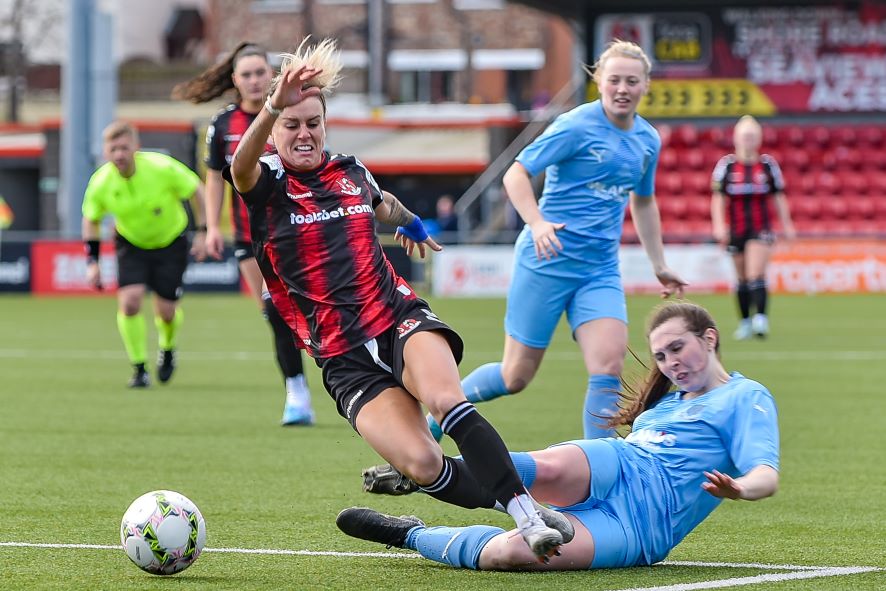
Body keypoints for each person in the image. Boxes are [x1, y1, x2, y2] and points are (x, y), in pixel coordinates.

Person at [224, 37, 573, 560]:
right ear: (274, 131)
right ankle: (516, 503)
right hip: (341, 358)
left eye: (312, 123)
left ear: (325, 125)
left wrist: (410, 221)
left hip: (395, 318)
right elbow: (239, 169)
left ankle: (526, 516)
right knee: (423, 464)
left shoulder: (349, 172)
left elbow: (381, 203)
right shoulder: (267, 184)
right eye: (291, 125)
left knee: (446, 401)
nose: (304, 133)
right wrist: (274, 101)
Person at [341, 301, 780, 571]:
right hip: (621, 464)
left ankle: (409, 534)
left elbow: (766, 473)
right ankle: (432, 471)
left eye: (678, 348)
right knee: (540, 468)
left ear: (710, 338)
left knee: (513, 554)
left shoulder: (745, 395)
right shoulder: (665, 406)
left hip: (642, 528)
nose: (669, 363)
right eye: (661, 355)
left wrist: (740, 487)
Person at [427, 40, 687, 442]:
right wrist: (537, 223)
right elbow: (515, 174)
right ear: (599, 81)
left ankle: (599, 474)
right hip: (546, 260)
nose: (622, 88)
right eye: (614, 79)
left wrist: (659, 264)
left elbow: (645, 200)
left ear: (645, 85)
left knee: (609, 364)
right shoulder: (576, 125)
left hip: (598, 268)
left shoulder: (647, 140)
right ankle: (435, 417)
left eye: (631, 81)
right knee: (515, 376)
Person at [172, 42, 315, 426]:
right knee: (275, 312)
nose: (254, 81)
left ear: (272, 75)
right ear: (235, 80)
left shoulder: (291, 113)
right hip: (248, 239)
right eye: (246, 74)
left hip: (294, 231)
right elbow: (216, 178)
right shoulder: (223, 124)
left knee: (309, 312)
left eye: (259, 72)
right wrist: (213, 227)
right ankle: (296, 392)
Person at [82, 121, 207, 388]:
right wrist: (92, 262)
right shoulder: (101, 182)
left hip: (171, 242)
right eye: (113, 149)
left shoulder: (161, 167)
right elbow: (91, 219)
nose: (119, 154)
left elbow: (197, 189)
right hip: (131, 244)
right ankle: (139, 368)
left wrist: (204, 230)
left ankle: (168, 348)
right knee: (130, 302)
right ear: (105, 152)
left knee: (166, 312)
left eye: (124, 148)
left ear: (136, 148)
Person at [711, 115, 796, 341]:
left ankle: (761, 319)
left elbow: (779, 196)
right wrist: (719, 227)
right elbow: (718, 199)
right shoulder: (726, 166)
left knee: (755, 273)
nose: (748, 140)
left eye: (752, 136)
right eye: (744, 136)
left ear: (758, 139)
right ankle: (745, 322)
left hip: (761, 228)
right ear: (737, 138)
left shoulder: (768, 165)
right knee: (741, 279)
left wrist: (787, 225)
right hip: (736, 229)